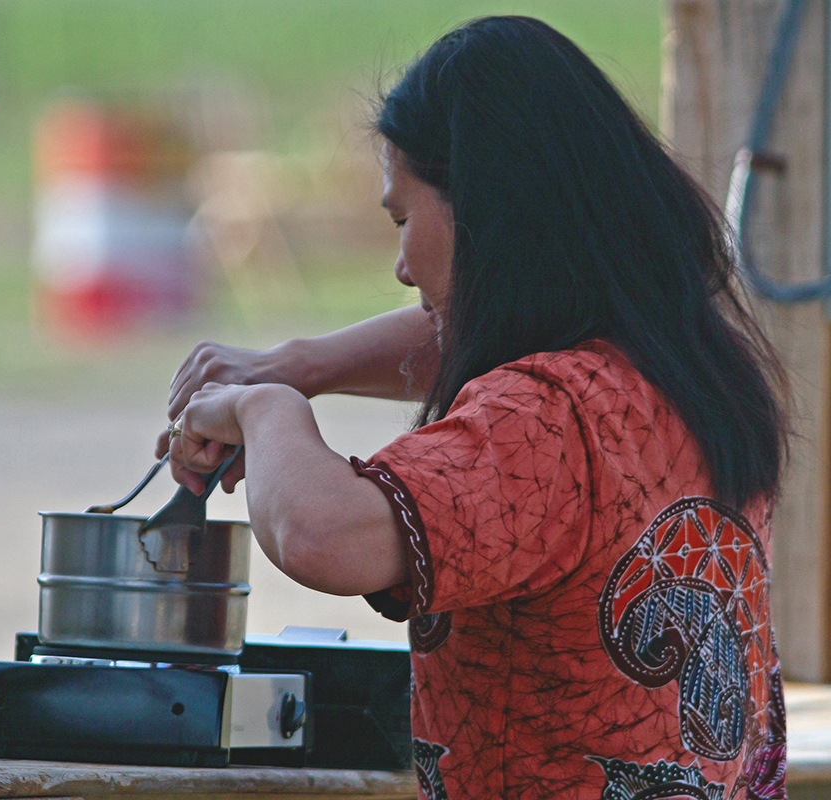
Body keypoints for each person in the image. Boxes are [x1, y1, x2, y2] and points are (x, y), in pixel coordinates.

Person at [158, 16, 789, 800]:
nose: (398, 266)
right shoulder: (682, 373)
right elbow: (468, 327)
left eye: (401, 218)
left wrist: (267, 408)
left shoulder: (542, 422)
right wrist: (303, 363)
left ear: (492, 213)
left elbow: (322, 533)